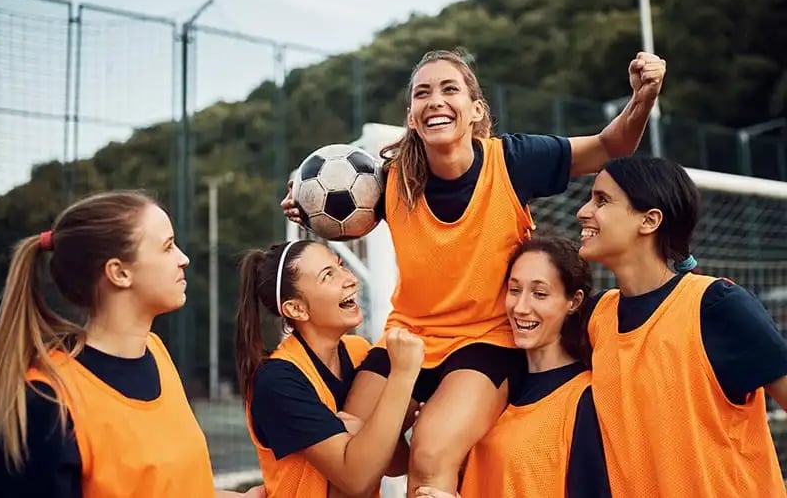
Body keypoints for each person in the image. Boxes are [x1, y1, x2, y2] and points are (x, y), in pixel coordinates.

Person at [282, 47, 666, 494]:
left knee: (429, 457)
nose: (436, 100)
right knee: (350, 450)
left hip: (486, 341)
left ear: (476, 110)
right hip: (409, 337)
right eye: (423, 93)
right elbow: (349, 218)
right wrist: (307, 206)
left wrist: (641, 99)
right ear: (411, 116)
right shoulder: (388, 181)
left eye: (450, 89)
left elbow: (609, 146)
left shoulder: (514, 161)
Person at [0, 191, 253, 497]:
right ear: (119, 272)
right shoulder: (47, 402)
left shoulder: (155, 352)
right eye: (167, 247)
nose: (184, 259)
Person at [576, 155, 787, 497]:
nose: (582, 211)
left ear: (649, 220)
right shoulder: (596, 317)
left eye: (602, 200)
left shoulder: (715, 305)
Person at [416, 235, 610, 498]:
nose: (520, 307)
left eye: (539, 294)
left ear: (573, 302)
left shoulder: (584, 399)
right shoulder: (487, 386)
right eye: (514, 290)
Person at [236, 239, 424, 497]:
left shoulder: (359, 351)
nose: (350, 279)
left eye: (341, 265)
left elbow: (394, 464)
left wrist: (364, 430)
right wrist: (402, 376)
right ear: (296, 309)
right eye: (328, 276)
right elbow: (356, 480)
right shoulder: (277, 380)